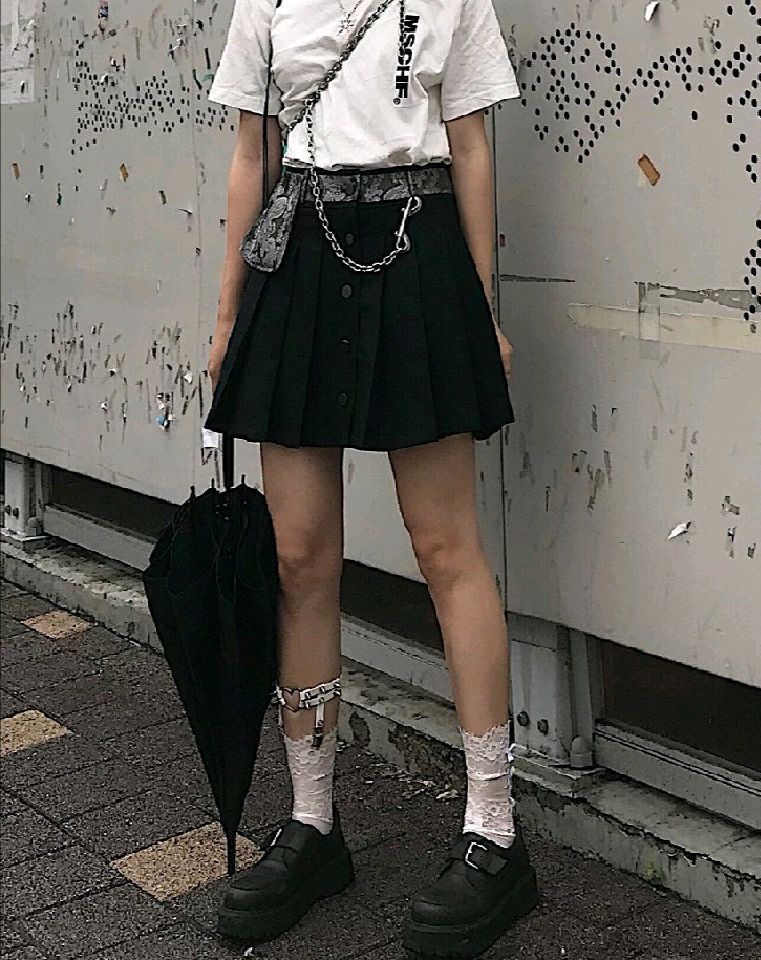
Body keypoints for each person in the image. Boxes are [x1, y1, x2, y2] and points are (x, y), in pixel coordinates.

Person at [203, 0, 538, 954]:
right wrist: (226, 318)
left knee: (446, 547)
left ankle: (493, 832)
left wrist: (483, 308)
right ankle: (312, 824)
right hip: (297, 257)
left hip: (419, 249)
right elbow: (252, 152)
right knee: (299, 558)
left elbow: (471, 147)